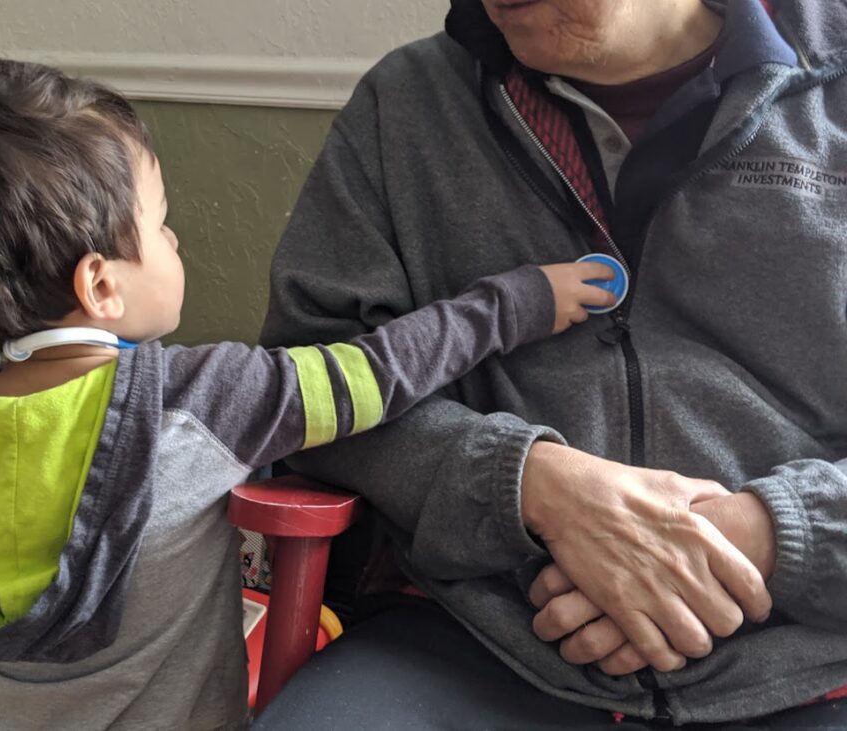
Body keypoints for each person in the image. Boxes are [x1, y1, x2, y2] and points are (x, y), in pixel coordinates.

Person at [0, 58, 618, 730]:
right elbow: (378, 373)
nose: (176, 244)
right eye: (162, 226)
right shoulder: (200, 400)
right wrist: (516, 302)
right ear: (99, 284)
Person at [256, 0, 847, 727]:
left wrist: (765, 531)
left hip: (807, 651)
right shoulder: (405, 103)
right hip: (479, 633)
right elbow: (300, 379)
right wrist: (534, 486)